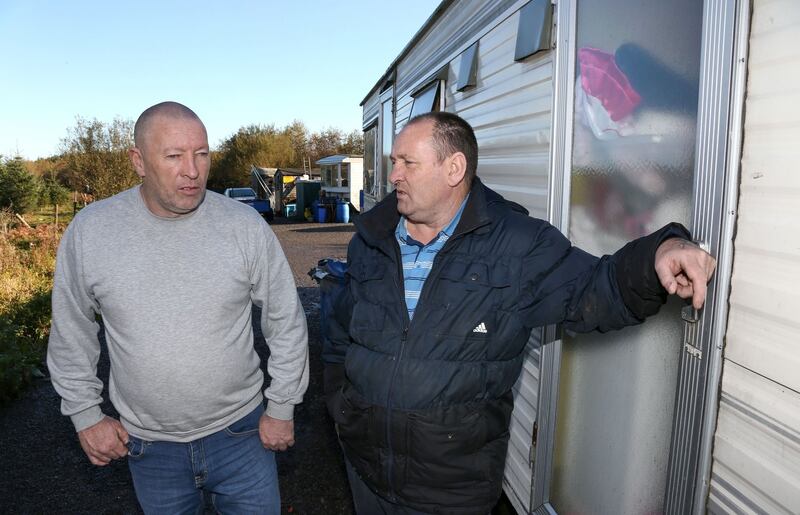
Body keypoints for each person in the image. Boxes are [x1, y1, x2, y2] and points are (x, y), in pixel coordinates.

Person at [322, 111, 716, 514]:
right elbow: (340, 330)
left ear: (454, 168)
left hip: (450, 492)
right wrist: (342, 406)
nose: (394, 176)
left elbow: (597, 288)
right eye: (394, 162)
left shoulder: (518, 245)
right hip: (366, 472)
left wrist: (659, 253)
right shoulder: (370, 240)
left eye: (408, 163)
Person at [47, 101, 309, 514]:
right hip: (149, 449)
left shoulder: (242, 226)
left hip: (243, 435)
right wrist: (86, 415)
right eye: (174, 156)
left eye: (201, 154)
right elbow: (71, 330)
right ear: (138, 161)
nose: (193, 170)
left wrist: (282, 405)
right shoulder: (92, 232)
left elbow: (286, 321)